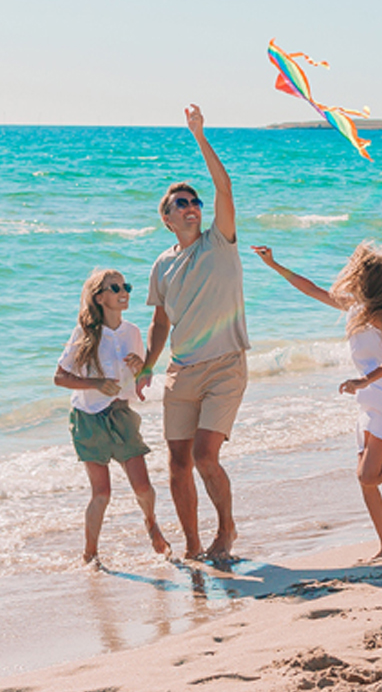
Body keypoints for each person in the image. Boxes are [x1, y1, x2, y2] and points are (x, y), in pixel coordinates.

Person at [252, 242, 382, 557]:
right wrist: (274, 265)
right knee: (366, 479)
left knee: (367, 475)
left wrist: (364, 380)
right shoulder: (355, 307)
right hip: (372, 397)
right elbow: (312, 290)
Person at [136, 104, 248, 562]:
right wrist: (146, 365)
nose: (192, 207)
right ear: (166, 218)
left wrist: (199, 136)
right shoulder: (162, 265)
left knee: (205, 456)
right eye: (181, 204)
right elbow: (161, 321)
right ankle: (193, 545)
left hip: (225, 366)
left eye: (194, 201)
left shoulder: (219, 241)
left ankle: (226, 530)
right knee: (177, 466)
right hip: (180, 372)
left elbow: (224, 187)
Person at [54, 268, 171, 564]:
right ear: (99, 297)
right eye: (115, 287)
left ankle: (151, 523)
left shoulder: (132, 331)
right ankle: (90, 555)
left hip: (121, 414)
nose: (124, 292)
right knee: (102, 494)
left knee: (142, 486)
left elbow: (142, 381)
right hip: (87, 417)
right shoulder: (84, 333)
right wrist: (95, 384)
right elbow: (59, 377)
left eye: (126, 286)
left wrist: (140, 369)